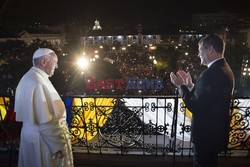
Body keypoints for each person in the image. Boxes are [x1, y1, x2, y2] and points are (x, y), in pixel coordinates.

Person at [170, 34, 234, 167]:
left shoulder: (211, 73)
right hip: (215, 132)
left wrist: (180, 86)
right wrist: (190, 86)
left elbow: (194, 105)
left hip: (206, 135)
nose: (198, 54)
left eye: (200, 50)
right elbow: (208, 97)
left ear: (210, 49)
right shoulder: (224, 68)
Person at [14, 48, 74, 167]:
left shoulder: (29, 77)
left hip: (32, 136)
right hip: (43, 141)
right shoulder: (38, 82)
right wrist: (58, 146)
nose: (56, 66)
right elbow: (46, 122)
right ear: (44, 62)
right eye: (55, 62)